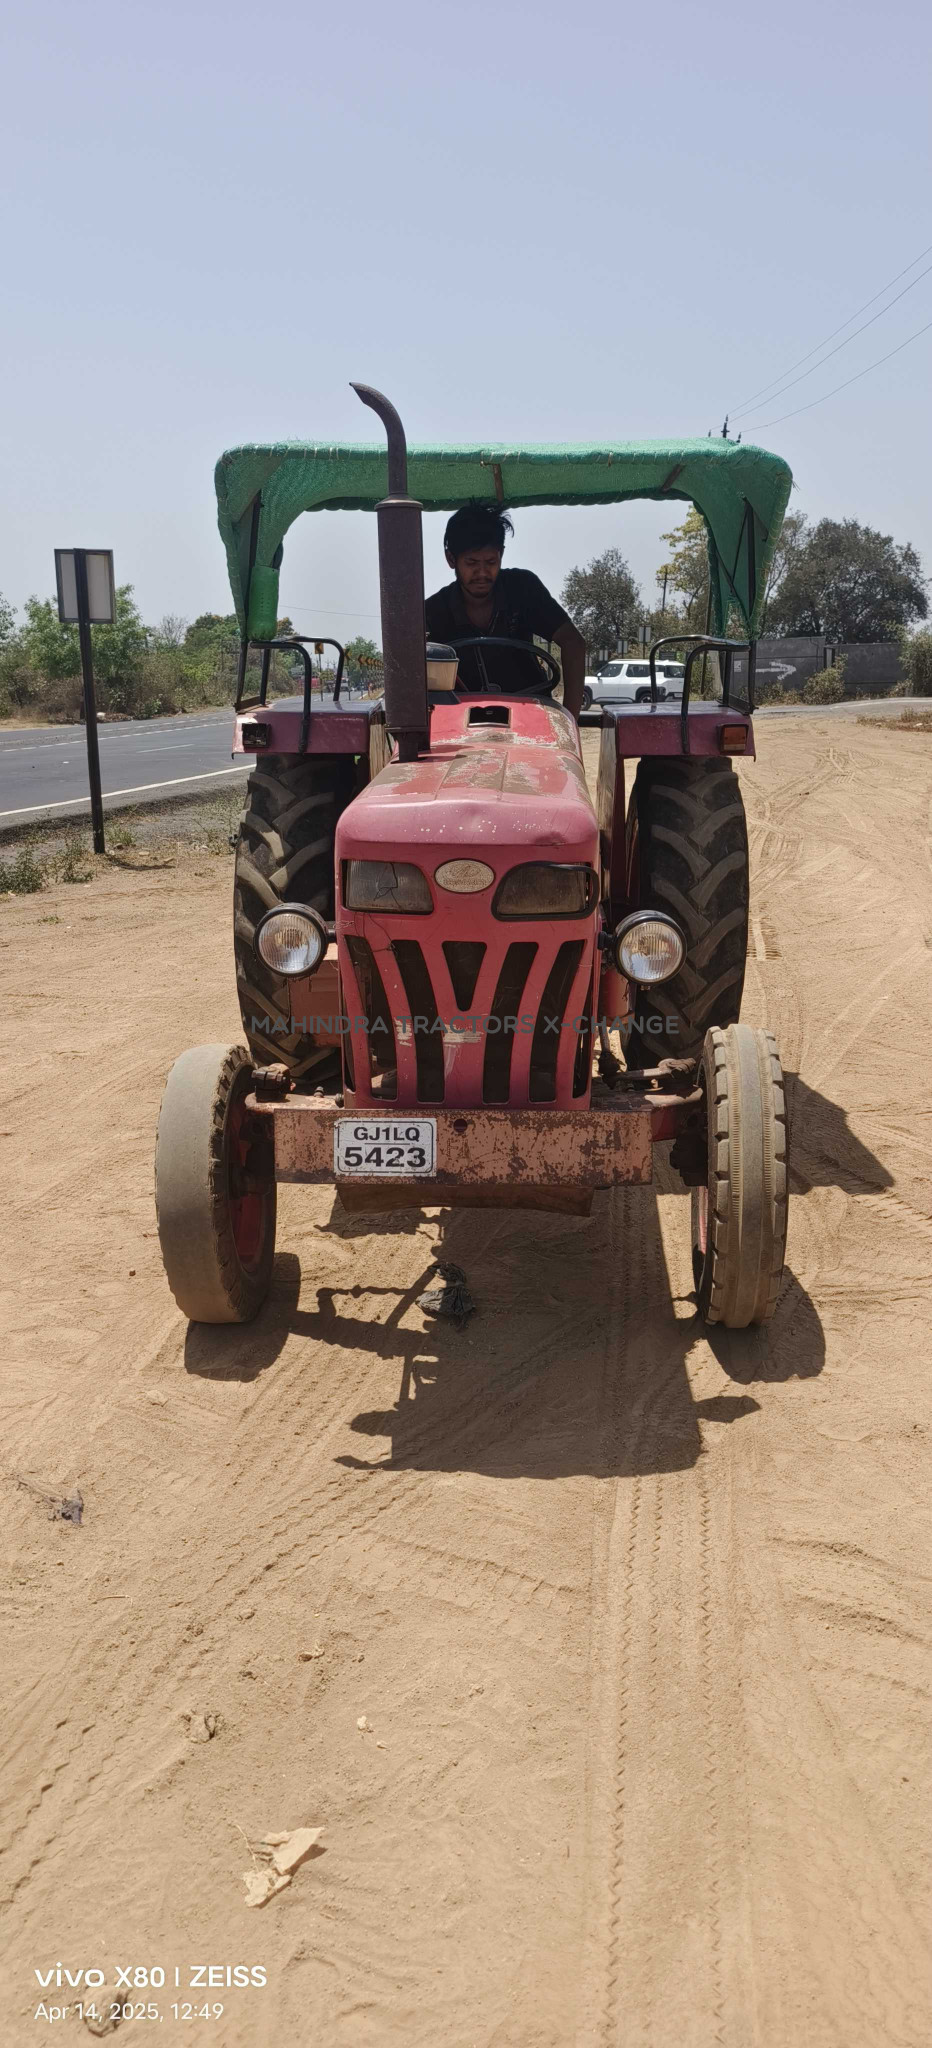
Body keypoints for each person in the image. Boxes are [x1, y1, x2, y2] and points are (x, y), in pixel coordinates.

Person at [425, 501, 587, 716]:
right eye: (472, 563)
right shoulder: (434, 611)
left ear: (501, 554)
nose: (482, 573)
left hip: (529, 716)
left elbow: (573, 642)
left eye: (490, 562)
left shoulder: (524, 589)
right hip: (460, 721)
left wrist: (570, 718)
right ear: (451, 559)